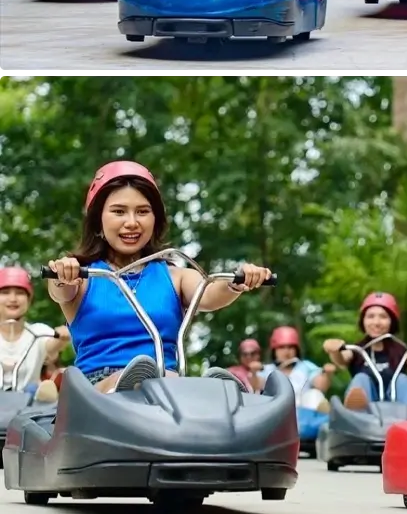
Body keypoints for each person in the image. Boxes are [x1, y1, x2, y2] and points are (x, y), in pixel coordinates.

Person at [46, 160, 272, 394]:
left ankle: (214, 392)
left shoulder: (175, 276)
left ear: (155, 220)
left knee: (167, 381)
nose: (132, 223)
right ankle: (149, 384)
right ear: (98, 221)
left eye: (142, 212)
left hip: (164, 383)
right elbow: (60, 289)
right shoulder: (83, 276)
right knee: (144, 380)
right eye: (119, 212)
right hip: (97, 391)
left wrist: (238, 280)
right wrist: (63, 274)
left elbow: (209, 292)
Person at [323, 291, 407, 413]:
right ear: (363, 321)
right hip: (368, 409)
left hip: (397, 407)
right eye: (370, 317)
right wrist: (334, 350)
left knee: (402, 379)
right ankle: (357, 408)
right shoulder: (358, 349)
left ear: (391, 321)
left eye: (383, 317)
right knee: (361, 378)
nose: (376, 322)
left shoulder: (400, 350)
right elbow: (342, 360)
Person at [0, 266, 70, 403]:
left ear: (29, 299)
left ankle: (43, 396)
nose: (13, 299)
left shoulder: (38, 332)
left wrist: (62, 338)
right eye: (5, 292)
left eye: (20, 293)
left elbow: (52, 346)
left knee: (36, 391)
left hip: (27, 403)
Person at [256, 326, 333, 411]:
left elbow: (321, 386)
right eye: (281, 347)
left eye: (290, 347)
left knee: (314, 394)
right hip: (275, 411)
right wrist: (253, 372)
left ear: (296, 349)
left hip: (302, 412)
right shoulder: (267, 369)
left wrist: (328, 374)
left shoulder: (306, 366)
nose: (286, 351)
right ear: (274, 350)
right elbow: (256, 385)